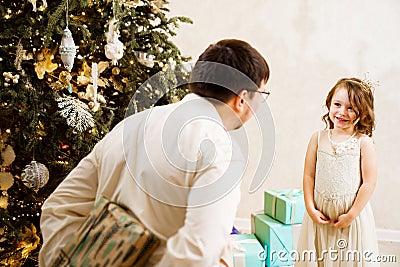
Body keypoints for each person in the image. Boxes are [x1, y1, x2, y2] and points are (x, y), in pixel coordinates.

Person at [39, 39, 270, 267]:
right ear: (241, 99)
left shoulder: (130, 125)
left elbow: (58, 207)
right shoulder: (221, 150)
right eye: (261, 94)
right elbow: (197, 254)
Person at [296, 78, 379, 266]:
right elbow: (309, 175)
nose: (342, 112)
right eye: (337, 104)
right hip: (320, 211)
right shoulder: (317, 138)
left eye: (350, 108)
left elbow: (369, 183)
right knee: (320, 256)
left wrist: (352, 215)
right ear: (329, 103)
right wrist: (310, 207)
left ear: (362, 111)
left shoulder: (363, 143)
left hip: (351, 213)